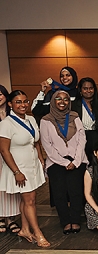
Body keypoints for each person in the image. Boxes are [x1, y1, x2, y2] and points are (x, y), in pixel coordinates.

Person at [0, 90, 50, 247]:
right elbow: (4, 150)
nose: (23, 105)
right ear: (10, 104)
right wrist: (16, 172)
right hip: (19, 167)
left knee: (26, 199)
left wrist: (41, 159)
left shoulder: (31, 119)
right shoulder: (6, 124)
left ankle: (25, 229)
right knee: (30, 200)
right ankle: (38, 233)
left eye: (25, 101)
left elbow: (35, 141)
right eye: (18, 102)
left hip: (32, 165)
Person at [40, 90, 88, 235]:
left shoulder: (74, 117)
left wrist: (76, 160)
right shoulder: (45, 120)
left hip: (76, 160)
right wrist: (63, 162)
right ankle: (65, 221)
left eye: (66, 99)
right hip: (56, 162)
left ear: (69, 101)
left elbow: (82, 139)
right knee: (59, 193)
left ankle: (75, 220)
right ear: (53, 101)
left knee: (76, 192)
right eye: (58, 99)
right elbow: (46, 145)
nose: (62, 102)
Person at [0, 85, 22, 236]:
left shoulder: (13, 113)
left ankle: (11, 218)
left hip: (12, 153)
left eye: (1, 94)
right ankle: (0, 216)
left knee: (11, 185)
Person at [72, 77, 98, 163]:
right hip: (81, 137)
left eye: (91, 88)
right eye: (85, 88)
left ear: (94, 89)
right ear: (80, 90)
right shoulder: (74, 105)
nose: (88, 91)